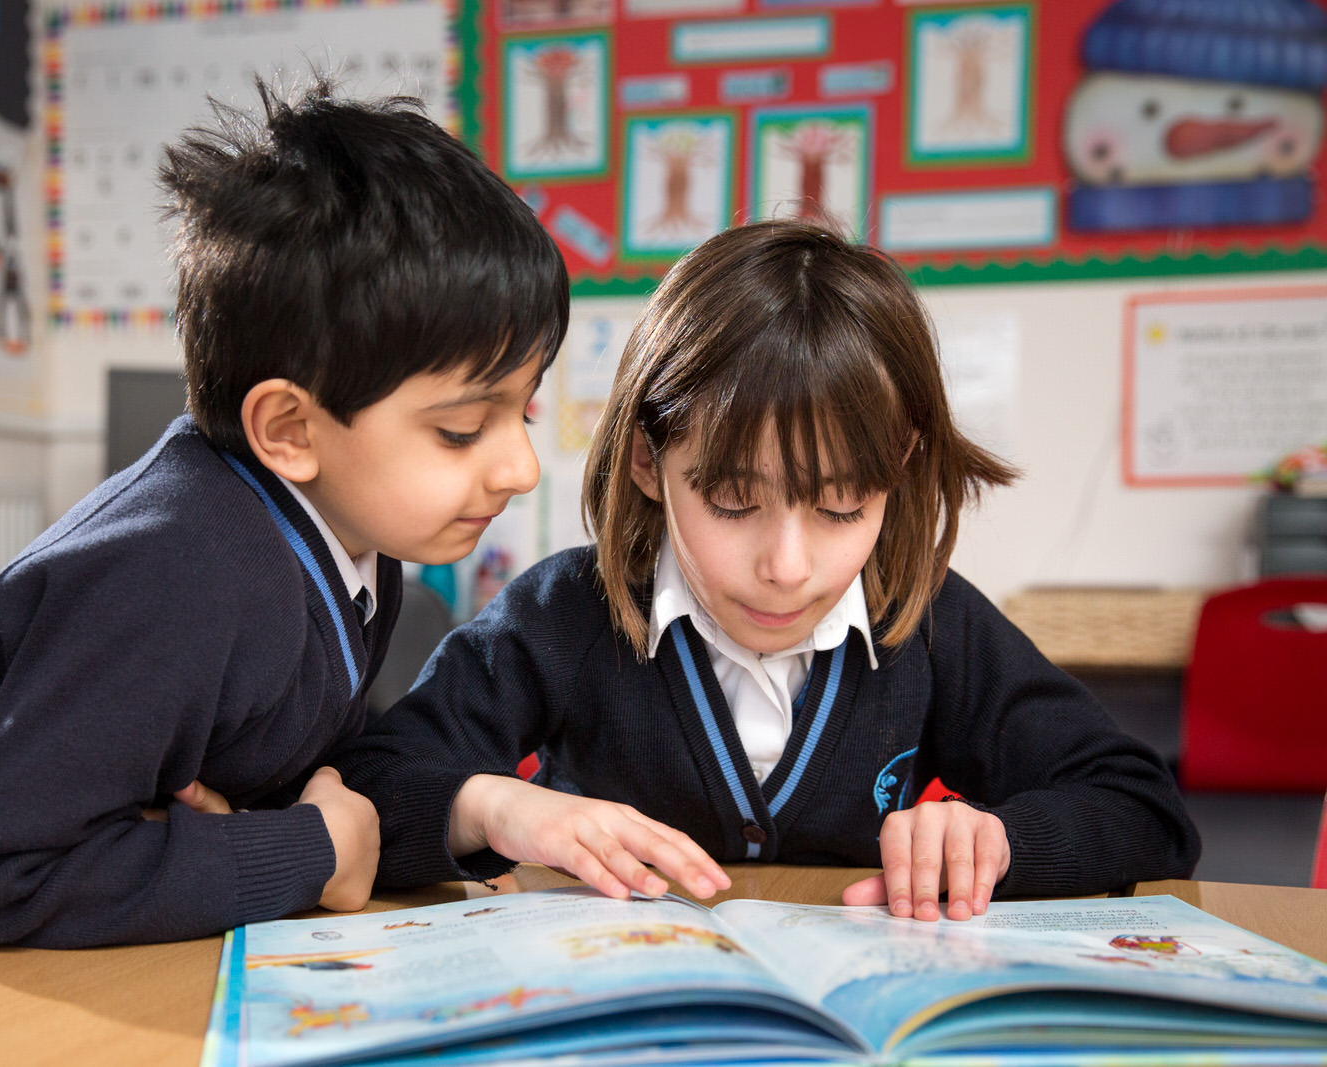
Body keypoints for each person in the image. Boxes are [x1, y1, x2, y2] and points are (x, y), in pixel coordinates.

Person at [0, 77, 571, 988]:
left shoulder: (350, 543)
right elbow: (2, 873)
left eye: (521, 414)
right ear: (288, 429)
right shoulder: (182, 567)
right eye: (460, 430)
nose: (519, 468)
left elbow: (321, 783)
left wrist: (423, 816)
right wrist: (303, 849)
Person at [334, 218, 1202, 921]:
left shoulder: (931, 622)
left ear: (896, 468)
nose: (788, 567)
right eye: (734, 503)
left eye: (841, 507)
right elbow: (373, 786)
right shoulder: (562, 614)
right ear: (647, 461)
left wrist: (1002, 839)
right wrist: (497, 808)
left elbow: (1147, 811)